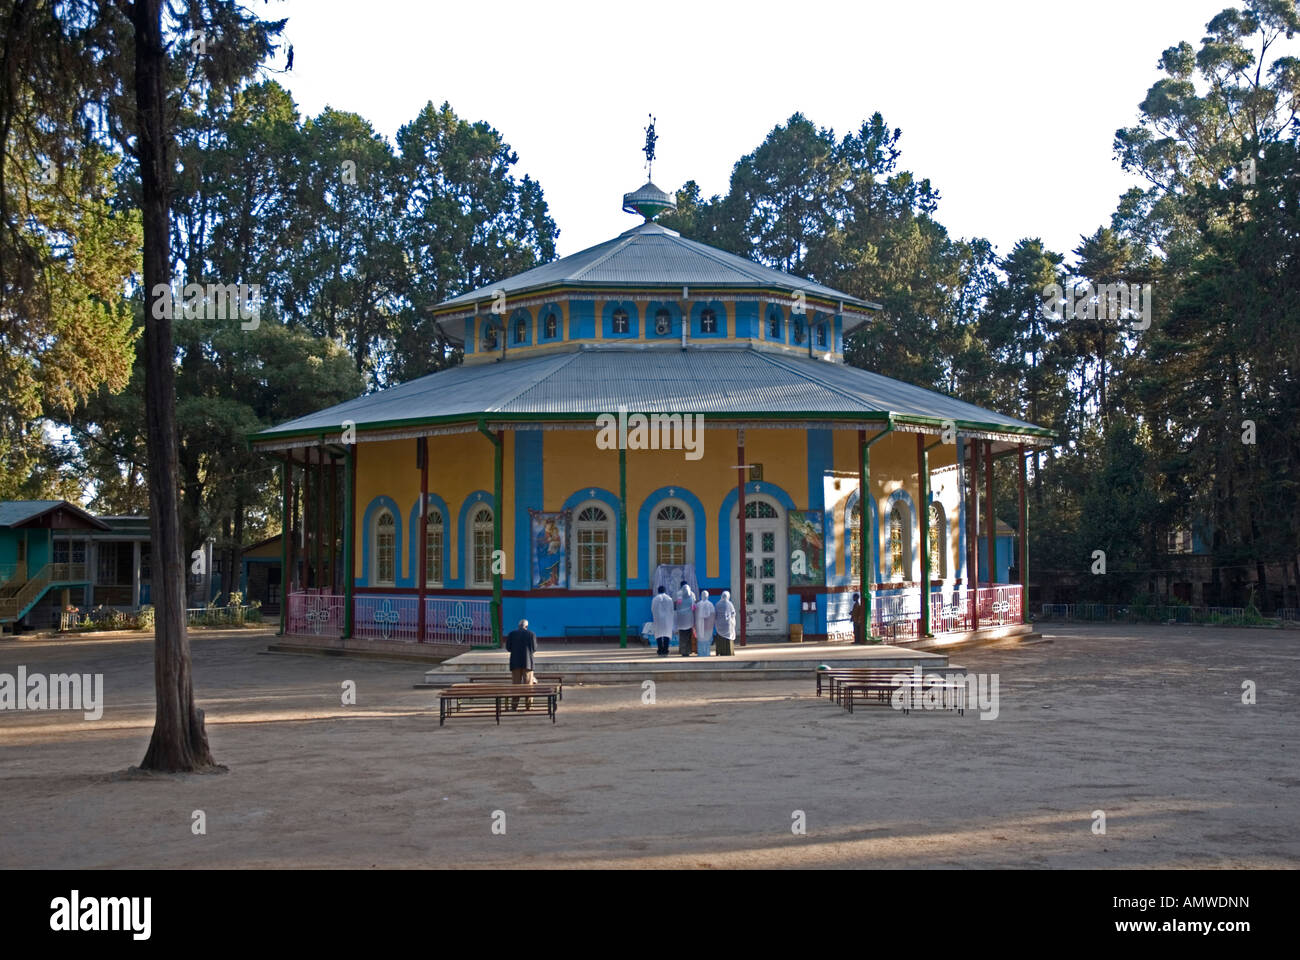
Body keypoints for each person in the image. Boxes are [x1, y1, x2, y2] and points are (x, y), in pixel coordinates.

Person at [505, 618, 537, 710]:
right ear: (526, 626)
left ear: (518, 626)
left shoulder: (511, 634)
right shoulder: (531, 634)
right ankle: (528, 706)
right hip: (528, 663)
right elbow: (534, 648)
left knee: (515, 685)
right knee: (528, 685)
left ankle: (514, 705)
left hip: (515, 663)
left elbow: (508, 648)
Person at [650, 585, 675, 657]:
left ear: (658, 591)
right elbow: (672, 610)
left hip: (658, 620)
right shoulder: (669, 599)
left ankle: (660, 650)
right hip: (667, 620)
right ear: (665, 591)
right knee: (667, 634)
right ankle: (666, 650)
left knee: (659, 635)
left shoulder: (655, 599)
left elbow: (652, 609)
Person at [674, 580, 696, 656]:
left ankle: (683, 651)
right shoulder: (691, 597)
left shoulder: (679, 597)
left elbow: (677, 607)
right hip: (689, 620)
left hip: (681, 620)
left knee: (682, 636)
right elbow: (693, 608)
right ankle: (688, 651)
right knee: (688, 636)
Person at [693, 590, 716, 657]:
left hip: (699, 626)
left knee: (700, 640)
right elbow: (713, 616)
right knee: (707, 640)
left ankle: (700, 653)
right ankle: (707, 653)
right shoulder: (710, 604)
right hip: (708, 627)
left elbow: (695, 615)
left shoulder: (698, 604)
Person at [714, 590, 737, 656]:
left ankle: (720, 651)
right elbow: (733, 613)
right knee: (728, 639)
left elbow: (715, 614)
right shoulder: (730, 604)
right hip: (728, 625)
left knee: (720, 638)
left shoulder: (717, 604)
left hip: (719, 625)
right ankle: (729, 652)